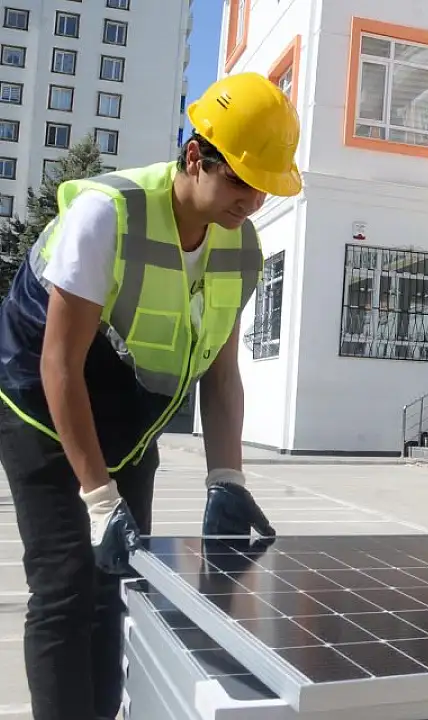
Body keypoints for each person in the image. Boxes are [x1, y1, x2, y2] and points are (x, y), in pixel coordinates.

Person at [0, 71, 299, 720]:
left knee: (116, 581)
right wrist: (98, 498)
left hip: (128, 419)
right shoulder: (106, 216)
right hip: (42, 409)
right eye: (240, 181)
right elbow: (59, 364)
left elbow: (221, 372)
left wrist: (226, 476)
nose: (252, 201)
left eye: (265, 187)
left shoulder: (240, 246)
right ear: (195, 157)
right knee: (65, 587)